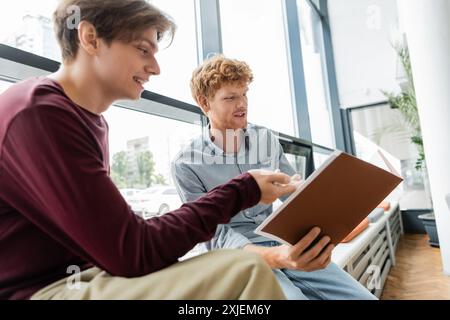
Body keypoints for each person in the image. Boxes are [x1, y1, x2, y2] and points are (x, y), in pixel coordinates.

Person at [0, 0, 298, 300]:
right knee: (246, 272)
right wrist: (242, 190)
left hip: (86, 274)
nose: (155, 68)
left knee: (235, 272)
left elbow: (122, 242)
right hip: (39, 292)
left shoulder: (89, 122)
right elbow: (132, 251)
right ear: (90, 38)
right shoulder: (38, 114)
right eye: (143, 50)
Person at [171, 55, 377, 300]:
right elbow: (215, 235)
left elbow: (292, 193)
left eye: (244, 94)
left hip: (280, 241)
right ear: (204, 103)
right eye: (230, 97)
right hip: (237, 256)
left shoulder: (266, 140)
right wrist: (278, 256)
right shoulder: (186, 164)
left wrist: (319, 198)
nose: (242, 104)